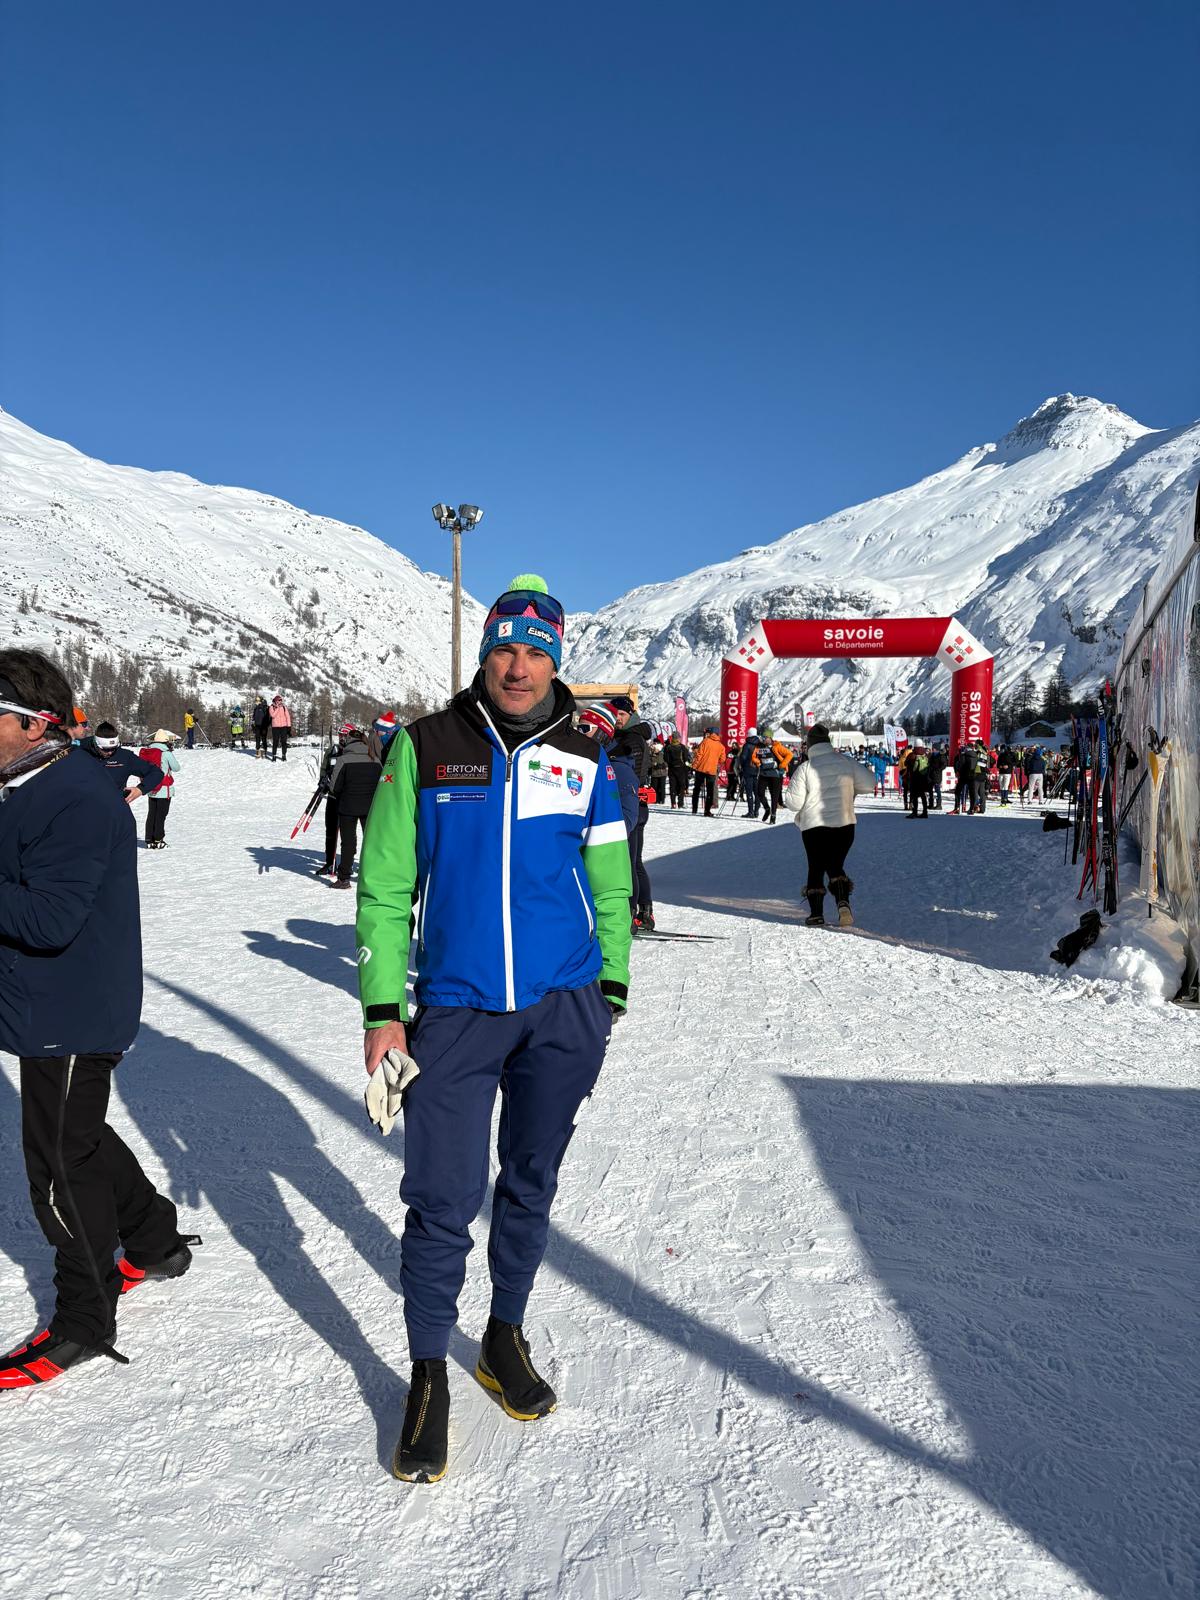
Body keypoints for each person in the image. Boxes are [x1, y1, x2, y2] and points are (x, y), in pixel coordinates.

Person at [355, 574, 631, 1484]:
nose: (519, 666)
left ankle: (502, 1336)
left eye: (536, 650)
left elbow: (611, 879)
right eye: (504, 648)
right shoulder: (425, 747)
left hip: (563, 1007)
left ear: (558, 659)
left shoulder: (587, 755)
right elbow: (387, 887)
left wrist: (611, 987)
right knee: (441, 1198)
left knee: (531, 1181)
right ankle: (428, 1369)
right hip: (460, 1011)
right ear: (485, 654)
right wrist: (383, 1013)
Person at [0, 650, 196, 1389]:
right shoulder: (28, 780)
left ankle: (84, 1319)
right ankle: (151, 1239)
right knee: (76, 1135)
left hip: (70, 1008)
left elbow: (49, 918)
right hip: (49, 1001)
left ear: (31, 724)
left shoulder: (75, 796)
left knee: (55, 1164)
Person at [782, 723, 874, 926]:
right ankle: (843, 902)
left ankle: (816, 914)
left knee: (815, 866)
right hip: (845, 825)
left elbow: (793, 803)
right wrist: (851, 789)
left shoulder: (805, 768)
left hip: (814, 827)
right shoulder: (846, 762)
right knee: (834, 864)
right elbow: (869, 784)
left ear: (810, 745)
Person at [609, 696, 654, 930]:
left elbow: (630, 775)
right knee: (634, 861)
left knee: (630, 862)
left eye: (622, 715)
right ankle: (644, 911)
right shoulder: (627, 737)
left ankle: (632, 912)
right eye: (615, 714)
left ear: (631, 716)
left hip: (632, 805)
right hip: (636, 804)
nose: (618, 719)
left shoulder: (632, 740)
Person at [327, 725, 380, 888]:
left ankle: (344, 878)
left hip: (347, 807)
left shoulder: (343, 760)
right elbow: (382, 784)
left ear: (349, 742)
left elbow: (334, 787)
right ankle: (375, 875)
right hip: (370, 807)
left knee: (348, 843)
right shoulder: (375, 759)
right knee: (371, 840)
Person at [84, 721, 166, 804]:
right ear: (96, 744)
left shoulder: (125, 757)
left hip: (116, 809)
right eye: (105, 749)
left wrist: (140, 789)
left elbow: (156, 772)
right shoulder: (82, 753)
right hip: (87, 808)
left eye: (113, 748)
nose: (110, 752)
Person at [315, 725, 351, 878]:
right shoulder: (332, 751)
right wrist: (322, 781)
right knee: (330, 830)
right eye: (340, 734)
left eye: (345, 735)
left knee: (347, 833)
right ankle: (330, 862)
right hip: (332, 796)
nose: (342, 738)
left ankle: (346, 865)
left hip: (347, 798)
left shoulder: (353, 752)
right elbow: (324, 768)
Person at [138, 729, 180, 849]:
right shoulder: (166, 752)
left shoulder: (148, 751)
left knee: (151, 813)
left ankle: (149, 839)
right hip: (163, 788)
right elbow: (176, 768)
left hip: (151, 787)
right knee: (161, 815)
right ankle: (158, 839)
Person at [753, 728, 791, 823]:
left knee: (774, 796)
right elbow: (753, 757)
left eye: (765, 737)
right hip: (763, 774)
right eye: (762, 737)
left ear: (770, 737)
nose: (763, 739)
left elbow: (789, 754)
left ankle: (773, 815)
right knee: (759, 793)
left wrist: (782, 765)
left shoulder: (777, 746)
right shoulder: (759, 747)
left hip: (775, 775)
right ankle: (767, 809)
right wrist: (758, 762)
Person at [689, 727, 725, 817]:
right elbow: (722, 759)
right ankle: (707, 811)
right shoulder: (721, 746)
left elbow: (699, 755)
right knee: (710, 791)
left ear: (711, 733)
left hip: (701, 769)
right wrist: (715, 762)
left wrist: (694, 766)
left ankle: (694, 809)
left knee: (697, 789)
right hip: (712, 771)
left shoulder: (705, 741)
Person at [738, 728, 762, 817]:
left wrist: (741, 765)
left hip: (748, 770)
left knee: (749, 792)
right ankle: (756, 812)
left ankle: (751, 812)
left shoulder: (747, 745)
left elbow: (743, 757)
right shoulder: (760, 744)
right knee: (757, 792)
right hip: (758, 770)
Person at [663, 733, 690, 808]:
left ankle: (673, 803)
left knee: (672, 786)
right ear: (678, 738)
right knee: (681, 786)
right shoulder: (682, 747)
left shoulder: (668, 747)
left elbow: (665, 758)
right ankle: (680, 803)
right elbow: (686, 758)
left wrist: (670, 763)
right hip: (681, 769)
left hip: (672, 769)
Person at [906, 747, 930, 818]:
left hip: (915, 779)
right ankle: (925, 812)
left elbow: (914, 768)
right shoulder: (925, 758)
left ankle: (914, 812)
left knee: (914, 796)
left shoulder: (915, 757)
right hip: (923, 779)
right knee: (923, 796)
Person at [952, 743, 975, 814]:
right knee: (972, 793)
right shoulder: (975, 755)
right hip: (972, 775)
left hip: (963, 776)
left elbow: (961, 765)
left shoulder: (963, 755)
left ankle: (957, 808)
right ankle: (971, 809)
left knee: (957, 792)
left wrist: (958, 772)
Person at [268, 695, 292, 761]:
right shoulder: (271, 707)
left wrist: (289, 726)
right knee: (275, 741)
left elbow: (288, 717)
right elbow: (273, 715)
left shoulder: (284, 707)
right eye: (279, 700)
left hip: (284, 727)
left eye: (281, 700)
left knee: (284, 742)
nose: (280, 701)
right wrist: (277, 708)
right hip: (275, 727)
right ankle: (274, 756)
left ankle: (284, 755)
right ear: (275, 700)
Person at [648, 738, 668, 807]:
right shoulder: (650, 753)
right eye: (654, 744)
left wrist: (662, 765)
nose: (654, 745)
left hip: (662, 772)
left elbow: (666, 761)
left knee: (661, 787)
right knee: (654, 787)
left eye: (656, 744)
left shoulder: (663, 752)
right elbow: (649, 762)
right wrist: (652, 764)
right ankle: (655, 799)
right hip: (654, 773)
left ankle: (662, 800)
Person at [725, 739, 742, 807]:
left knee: (733, 784)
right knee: (732, 784)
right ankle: (729, 796)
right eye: (733, 746)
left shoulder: (730, 752)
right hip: (733, 771)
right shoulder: (737, 752)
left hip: (730, 771)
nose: (733, 747)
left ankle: (730, 795)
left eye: (734, 746)